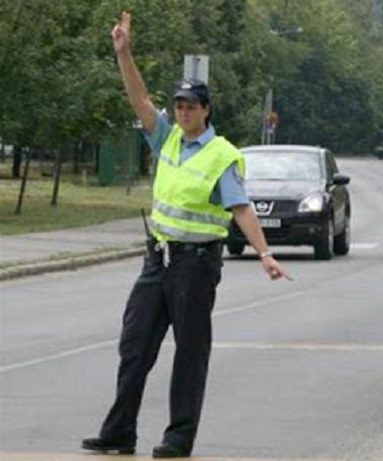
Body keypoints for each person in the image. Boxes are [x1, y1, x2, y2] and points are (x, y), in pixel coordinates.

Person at [82, 11, 290, 459]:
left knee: (189, 353)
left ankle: (179, 438)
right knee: (134, 345)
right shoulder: (169, 138)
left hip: (196, 265)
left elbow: (240, 207)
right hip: (158, 259)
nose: (182, 113)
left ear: (206, 111)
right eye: (178, 106)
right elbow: (137, 98)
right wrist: (124, 53)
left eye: (190, 107)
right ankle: (119, 431)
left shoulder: (222, 154)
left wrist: (265, 253)